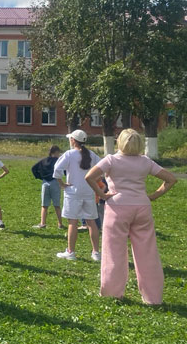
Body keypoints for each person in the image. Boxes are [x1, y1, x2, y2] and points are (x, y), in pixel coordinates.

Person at [85, 129, 178, 304]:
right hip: (142, 207)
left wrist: (102, 194)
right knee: (148, 253)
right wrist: (153, 196)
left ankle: (112, 293)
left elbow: (89, 176)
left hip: (117, 207)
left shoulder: (111, 160)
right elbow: (171, 179)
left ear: (119, 142)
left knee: (114, 252)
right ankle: (153, 297)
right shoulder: (145, 161)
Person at [53, 129, 101, 261]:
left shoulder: (69, 154)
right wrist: (96, 183)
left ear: (73, 140)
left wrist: (62, 184)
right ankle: (96, 253)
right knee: (91, 222)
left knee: (72, 222)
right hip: (89, 191)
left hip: (73, 192)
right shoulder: (92, 155)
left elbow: (57, 170)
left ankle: (71, 252)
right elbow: (101, 169)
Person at [31, 146, 64, 229]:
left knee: (44, 205)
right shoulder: (58, 161)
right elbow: (64, 170)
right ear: (55, 152)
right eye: (58, 153)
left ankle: (43, 223)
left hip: (45, 183)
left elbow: (33, 168)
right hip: (55, 182)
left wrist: (40, 177)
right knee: (57, 205)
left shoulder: (43, 161)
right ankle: (60, 223)